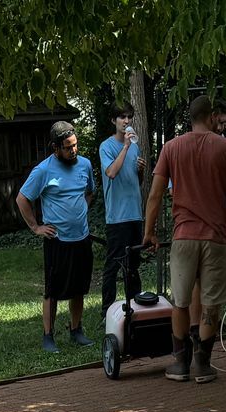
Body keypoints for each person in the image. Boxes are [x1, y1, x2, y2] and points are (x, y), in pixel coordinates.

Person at [143, 94, 226, 383]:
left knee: (181, 303)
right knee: (211, 303)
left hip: (183, 236)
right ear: (211, 117)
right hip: (216, 238)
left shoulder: (171, 148)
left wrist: (149, 231)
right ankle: (203, 365)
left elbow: (155, 195)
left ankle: (180, 364)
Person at [17, 120, 97, 351]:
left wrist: (79, 212)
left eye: (75, 145)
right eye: (68, 147)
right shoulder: (43, 170)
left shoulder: (85, 165)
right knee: (53, 290)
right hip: (57, 241)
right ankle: (48, 336)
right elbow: (22, 199)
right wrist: (36, 227)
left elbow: (89, 192)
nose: (73, 150)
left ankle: (76, 330)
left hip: (82, 238)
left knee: (79, 287)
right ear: (55, 148)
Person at [96, 105, 146, 312]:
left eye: (129, 117)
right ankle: (107, 310)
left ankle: (135, 307)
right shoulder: (106, 146)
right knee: (113, 265)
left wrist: (140, 171)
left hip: (135, 214)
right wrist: (125, 147)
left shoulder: (135, 146)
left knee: (133, 265)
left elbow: (136, 181)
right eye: (122, 117)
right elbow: (112, 173)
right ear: (113, 120)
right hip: (117, 217)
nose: (126, 121)